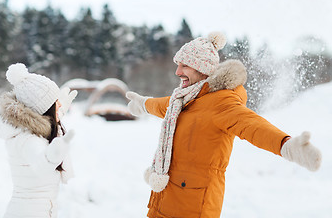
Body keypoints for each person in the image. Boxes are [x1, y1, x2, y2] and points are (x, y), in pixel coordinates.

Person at [126, 32, 322, 218]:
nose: (178, 72)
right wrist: (143, 104)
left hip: (194, 205)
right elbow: (165, 106)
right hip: (164, 200)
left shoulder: (222, 102)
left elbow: (252, 125)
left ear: (202, 68)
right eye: (178, 65)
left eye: (184, 66)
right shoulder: (184, 100)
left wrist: (285, 145)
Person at [0, 63, 77, 218]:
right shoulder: (28, 140)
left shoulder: (34, 131)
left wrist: (60, 110)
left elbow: (48, 122)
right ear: (44, 110)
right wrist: (54, 153)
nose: (59, 105)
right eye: (56, 103)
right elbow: (42, 163)